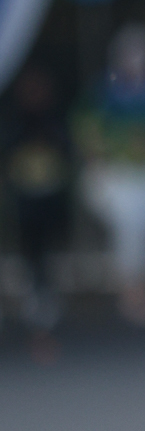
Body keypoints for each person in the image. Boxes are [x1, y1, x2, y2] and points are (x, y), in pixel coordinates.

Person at [76, 25, 145, 326]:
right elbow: (88, 129)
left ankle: (138, 288)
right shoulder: (104, 90)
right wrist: (107, 150)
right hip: (117, 173)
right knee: (131, 226)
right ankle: (136, 291)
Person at [2, 62, 72, 338]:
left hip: (52, 194)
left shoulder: (55, 119)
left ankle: (44, 292)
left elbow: (65, 150)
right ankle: (33, 290)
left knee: (48, 242)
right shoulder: (15, 121)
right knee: (29, 242)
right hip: (23, 197)